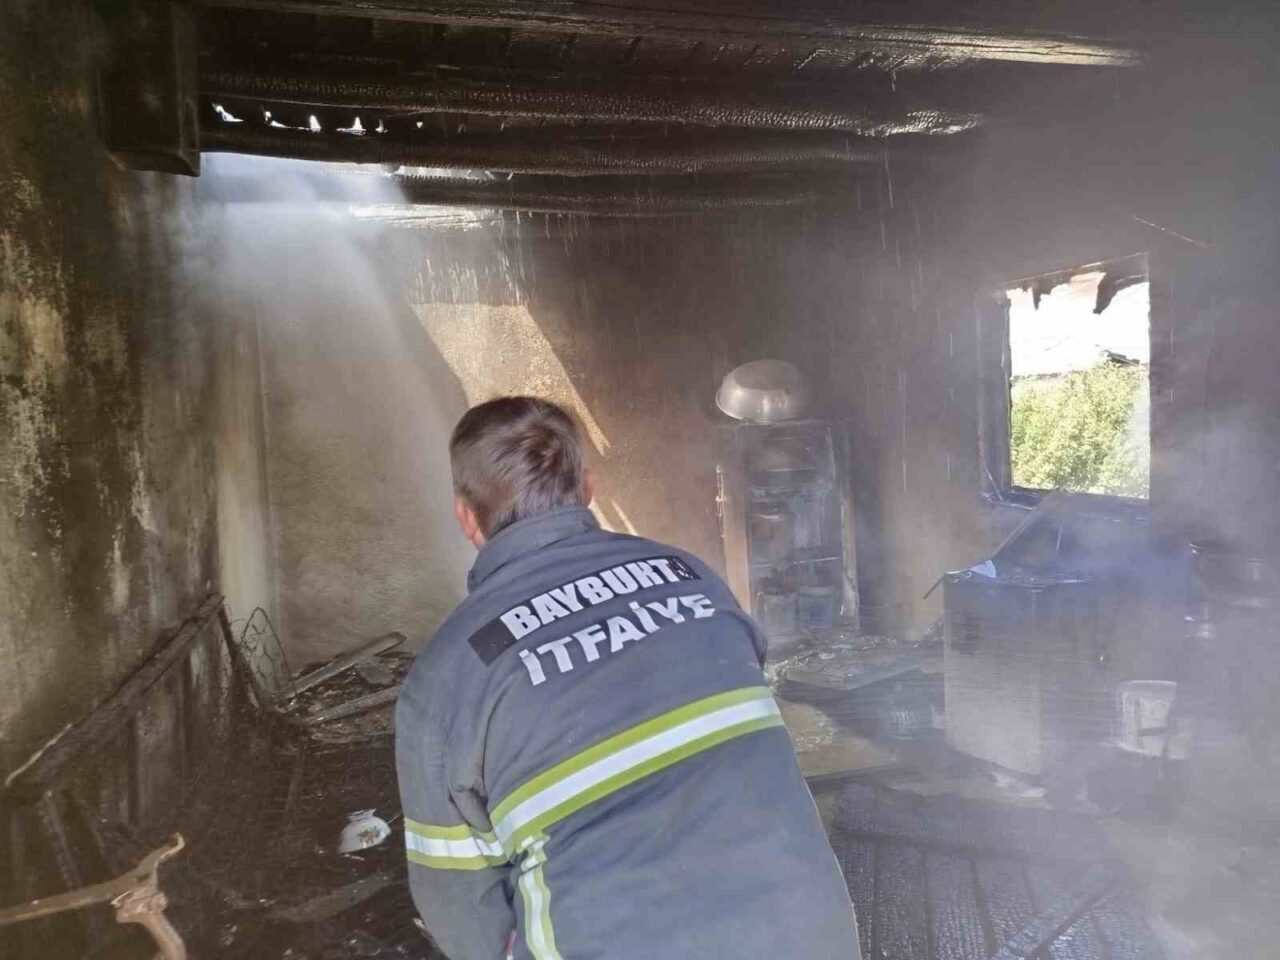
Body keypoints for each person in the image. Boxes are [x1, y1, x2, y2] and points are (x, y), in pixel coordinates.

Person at [395, 396, 860, 960]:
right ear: (586, 488)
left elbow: (459, 904)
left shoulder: (444, 677)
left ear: (465, 515)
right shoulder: (695, 580)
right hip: (813, 934)